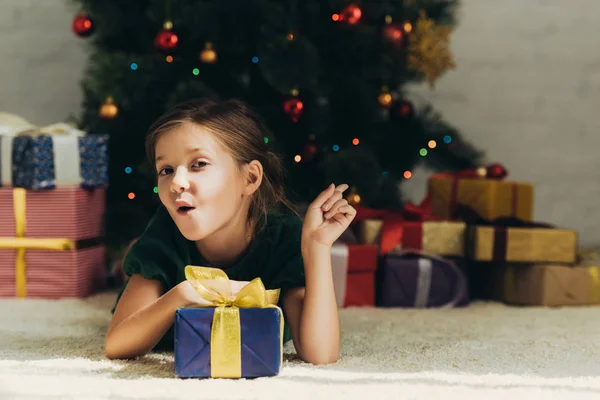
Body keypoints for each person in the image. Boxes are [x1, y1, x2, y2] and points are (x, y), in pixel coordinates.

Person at [105, 98, 357, 365]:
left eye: (198, 164)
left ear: (250, 178)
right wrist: (184, 293)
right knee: (139, 258)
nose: (176, 182)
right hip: (157, 275)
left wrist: (316, 247)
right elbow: (117, 344)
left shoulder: (283, 240)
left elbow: (321, 354)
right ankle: (127, 260)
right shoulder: (164, 236)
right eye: (166, 170)